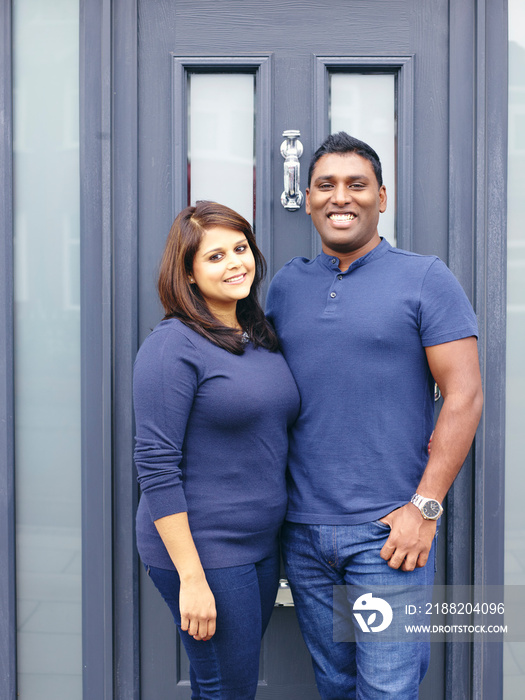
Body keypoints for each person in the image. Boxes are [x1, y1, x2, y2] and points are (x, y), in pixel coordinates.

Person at [266, 132, 483, 699]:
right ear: (308, 199)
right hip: (304, 532)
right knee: (335, 686)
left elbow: (464, 396)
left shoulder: (425, 279)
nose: (342, 197)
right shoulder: (286, 287)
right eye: (326, 186)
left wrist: (425, 508)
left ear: (381, 197)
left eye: (357, 185)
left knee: (388, 691)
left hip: (389, 534)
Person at [133, 201, 300, 699]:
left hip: (259, 546)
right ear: (186, 273)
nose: (235, 263)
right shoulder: (172, 347)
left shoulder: (259, 338)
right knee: (227, 689)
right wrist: (192, 577)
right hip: (206, 549)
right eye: (214, 256)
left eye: (240, 248)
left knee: (229, 684)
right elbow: (156, 467)